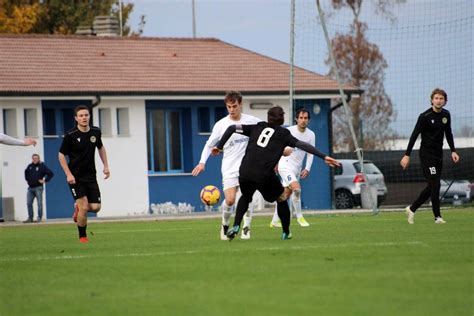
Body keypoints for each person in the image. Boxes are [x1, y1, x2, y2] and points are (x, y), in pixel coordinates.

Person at [211, 106, 340, 240]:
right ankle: (286, 232)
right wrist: (324, 156)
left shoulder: (257, 127)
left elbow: (232, 128)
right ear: (282, 119)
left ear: (268, 117)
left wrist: (219, 147)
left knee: (246, 196)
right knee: (282, 198)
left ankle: (237, 225)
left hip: (245, 171)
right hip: (264, 175)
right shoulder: (283, 134)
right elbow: (303, 145)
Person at [192, 91, 261, 240]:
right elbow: (209, 145)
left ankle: (246, 228)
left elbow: (269, 132)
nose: (231, 109)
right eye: (229, 106)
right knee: (230, 200)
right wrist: (202, 162)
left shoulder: (252, 121)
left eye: (234, 106)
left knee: (246, 198)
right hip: (229, 167)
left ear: (240, 104)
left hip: (247, 167)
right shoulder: (221, 125)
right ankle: (225, 224)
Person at [400, 88, 459, 224]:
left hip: (439, 155)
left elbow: (448, 133)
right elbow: (414, 135)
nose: (438, 101)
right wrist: (407, 155)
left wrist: (453, 151)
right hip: (427, 155)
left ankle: (412, 208)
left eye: (441, 98)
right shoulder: (424, 116)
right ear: (432, 100)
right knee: (436, 184)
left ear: (445, 101)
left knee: (432, 186)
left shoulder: (446, 115)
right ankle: (437, 217)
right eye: (436, 98)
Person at [58, 105, 110, 243]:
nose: (84, 118)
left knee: (96, 207)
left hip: (91, 176)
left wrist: (106, 166)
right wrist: (68, 174)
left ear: (89, 116)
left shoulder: (95, 132)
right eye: (81, 116)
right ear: (76, 118)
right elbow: (61, 155)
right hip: (76, 177)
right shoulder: (71, 135)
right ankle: (82, 237)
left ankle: (77, 208)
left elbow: (101, 148)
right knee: (85, 207)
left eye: (86, 115)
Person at [270, 108, 315, 228]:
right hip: (285, 165)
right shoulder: (288, 131)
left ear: (308, 120)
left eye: (305, 118)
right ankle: (300, 217)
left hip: (296, 168)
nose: (303, 120)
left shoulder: (311, 135)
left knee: (285, 195)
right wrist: (275, 163)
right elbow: (277, 147)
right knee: (297, 189)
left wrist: (307, 168)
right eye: (301, 118)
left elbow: (311, 152)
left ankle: (274, 220)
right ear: (296, 119)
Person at [23, 154, 54, 223]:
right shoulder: (30, 166)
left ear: (39, 159)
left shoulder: (42, 166)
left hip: (38, 188)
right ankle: (30, 218)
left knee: (39, 203)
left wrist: (45, 180)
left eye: (36, 158)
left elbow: (51, 173)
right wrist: (28, 180)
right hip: (30, 188)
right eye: (34, 158)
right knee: (29, 203)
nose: (35, 159)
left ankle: (39, 218)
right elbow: (26, 173)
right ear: (32, 159)